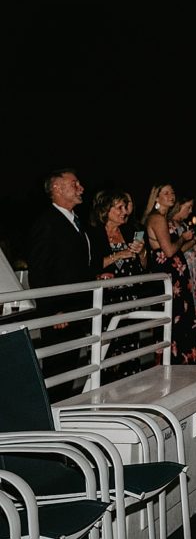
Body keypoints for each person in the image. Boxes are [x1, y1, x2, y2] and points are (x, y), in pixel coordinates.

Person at [29, 169, 97, 397]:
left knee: (71, 370)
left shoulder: (76, 221)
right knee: (57, 373)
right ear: (57, 188)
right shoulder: (47, 223)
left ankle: (63, 416)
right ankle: (49, 422)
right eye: (74, 183)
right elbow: (38, 272)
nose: (81, 188)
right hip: (61, 316)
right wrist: (53, 311)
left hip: (77, 309)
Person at [87, 189, 148, 379]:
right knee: (104, 352)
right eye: (119, 207)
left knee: (129, 352)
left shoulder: (130, 230)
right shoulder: (93, 233)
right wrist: (119, 255)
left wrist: (142, 252)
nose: (125, 211)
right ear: (106, 210)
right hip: (105, 302)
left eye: (125, 207)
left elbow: (143, 267)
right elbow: (92, 265)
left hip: (128, 299)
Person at [143, 183, 196, 365]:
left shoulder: (162, 218)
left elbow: (179, 249)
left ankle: (181, 366)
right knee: (175, 324)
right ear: (156, 197)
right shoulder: (157, 219)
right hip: (169, 277)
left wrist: (191, 240)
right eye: (166, 193)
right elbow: (169, 251)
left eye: (172, 192)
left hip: (176, 275)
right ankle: (175, 368)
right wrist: (181, 239)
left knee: (180, 322)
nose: (171, 196)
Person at [168, 194, 196, 348]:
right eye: (188, 207)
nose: (190, 211)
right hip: (186, 273)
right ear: (179, 206)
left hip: (195, 273)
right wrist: (195, 239)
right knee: (187, 314)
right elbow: (178, 251)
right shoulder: (170, 225)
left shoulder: (183, 225)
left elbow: (190, 247)